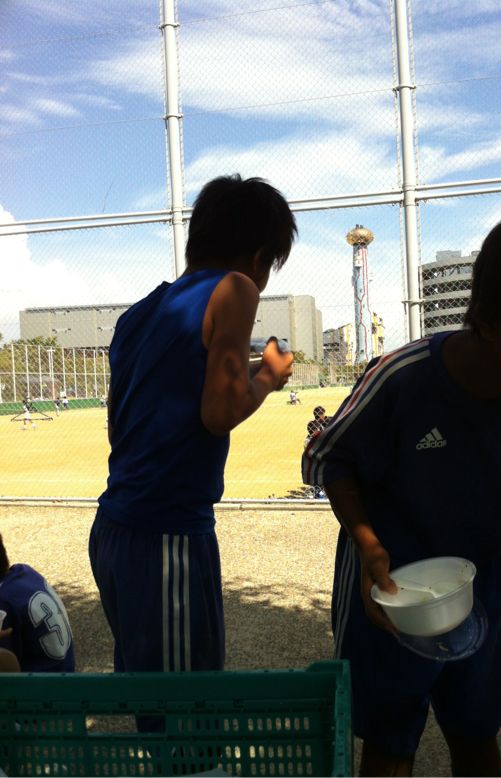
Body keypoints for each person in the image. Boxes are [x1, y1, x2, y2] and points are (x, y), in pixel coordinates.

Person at [302, 202, 501, 777]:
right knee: (389, 739)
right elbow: (330, 458)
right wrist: (367, 544)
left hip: (477, 577)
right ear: (493, 319)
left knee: (477, 730)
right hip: (388, 577)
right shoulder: (404, 378)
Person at [89, 175, 296, 685]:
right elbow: (219, 412)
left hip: (114, 530)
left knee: (149, 694)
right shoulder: (236, 288)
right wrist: (270, 375)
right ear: (259, 257)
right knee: (187, 709)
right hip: (167, 535)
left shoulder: (138, 315)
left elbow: (120, 423)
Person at [0, 534, 75, 672]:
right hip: (65, 676)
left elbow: (8, 675)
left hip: (38, 683)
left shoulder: (3, 603)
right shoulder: (24, 571)